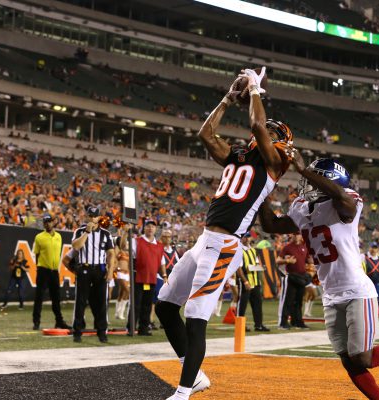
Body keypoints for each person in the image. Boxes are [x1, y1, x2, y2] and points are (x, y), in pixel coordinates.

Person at [156, 67, 293, 400]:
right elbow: (205, 134)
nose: (264, 133)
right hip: (205, 240)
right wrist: (227, 100)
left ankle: (183, 393)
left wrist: (255, 88)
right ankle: (194, 376)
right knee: (165, 306)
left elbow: (257, 125)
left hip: (226, 245)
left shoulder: (275, 163)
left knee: (195, 316)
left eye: (270, 133)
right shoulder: (239, 154)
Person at [259, 152, 379, 400]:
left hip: (356, 291)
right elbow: (271, 226)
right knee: (350, 362)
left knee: (363, 357)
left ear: (329, 181)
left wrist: (304, 169)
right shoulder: (301, 207)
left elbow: (342, 199)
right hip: (331, 294)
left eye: (313, 178)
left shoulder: (347, 200)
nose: (306, 183)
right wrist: (263, 189)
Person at [68, 206, 115, 343]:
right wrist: (87, 232)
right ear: (86, 216)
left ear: (99, 217)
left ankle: (102, 332)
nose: (92, 218)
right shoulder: (79, 231)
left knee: (101, 302)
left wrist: (110, 271)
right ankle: (77, 332)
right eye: (90, 216)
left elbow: (111, 253)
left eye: (94, 216)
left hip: (100, 269)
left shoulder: (106, 234)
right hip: (84, 268)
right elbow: (76, 246)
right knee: (81, 302)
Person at [32, 214, 70, 330]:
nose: (47, 224)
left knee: (56, 298)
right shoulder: (39, 237)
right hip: (43, 270)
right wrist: (39, 267)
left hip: (54, 271)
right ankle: (36, 322)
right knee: (39, 297)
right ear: (44, 224)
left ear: (53, 222)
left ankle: (59, 321)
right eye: (45, 222)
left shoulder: (59, 236)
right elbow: (37, 254)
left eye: (49, 221)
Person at [130, 219, 165, 336]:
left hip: (151, 278)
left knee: (147, 305)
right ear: (144, 228)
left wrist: (164, 275)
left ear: (156, 229)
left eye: (153, 226)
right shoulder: (136, 241)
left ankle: (143, 329)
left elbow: (162, 263)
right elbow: (126, 249)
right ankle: (131, 327)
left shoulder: (159, 245)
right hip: (138, 277)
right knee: (136, 304)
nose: (150, 228)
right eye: (148, 226)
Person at [236, 233, 269, 332]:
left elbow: (256, 265)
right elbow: (239, 268)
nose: (247, 239)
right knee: (242, 304)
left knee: (257, 304)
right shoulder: (239, 251)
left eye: (248, 237)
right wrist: (245, 281)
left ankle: (259, 325)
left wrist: (262, 267)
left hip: (255, 281)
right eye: (245, 237)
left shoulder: (253, 250)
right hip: (245, 280)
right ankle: (240, 326)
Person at [278, 233, 309, 329]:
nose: (296, 236)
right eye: (295, 234)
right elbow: (277, 260)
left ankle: (297, 321)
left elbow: (308, 260)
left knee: (298, 301)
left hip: (301, 276)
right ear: (292, 236)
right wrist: (287, 261)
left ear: (301, 235)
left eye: (298, 234)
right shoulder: (287, 247)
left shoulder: (304, 247)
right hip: (291, 276)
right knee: (288, 301)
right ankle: (283, 322)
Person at [362, 242, 379, 324]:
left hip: (378, 284)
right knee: (368, 302)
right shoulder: (364, 258)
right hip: (368, 285)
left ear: (377, 249)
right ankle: (368, 319)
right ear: (369, 248)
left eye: (375, 248)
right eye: (372, 248)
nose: (373, 250)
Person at [114, 229, 131, 320]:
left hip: (127, 273)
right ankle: (120, 312)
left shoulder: (128, 252)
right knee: (127, 291)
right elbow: (114, 258)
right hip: (120, 272)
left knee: (122, 293)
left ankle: (118, 313)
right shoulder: (118, 250)